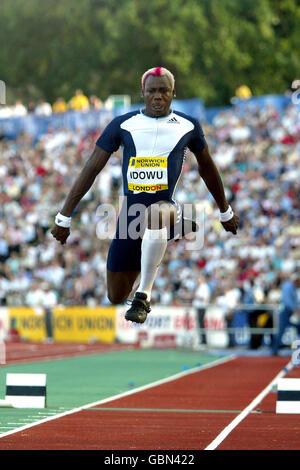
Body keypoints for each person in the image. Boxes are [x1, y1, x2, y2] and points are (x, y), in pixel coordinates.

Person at [51, 66, 239, 324]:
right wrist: (64, 216)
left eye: (164, 91)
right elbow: (92, 168)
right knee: (116, 294)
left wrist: (225, 211)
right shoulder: (123, 124)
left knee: (155, 215)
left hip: (165, 207)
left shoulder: (188, 125)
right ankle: (165, 237)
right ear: (143, 93)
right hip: (130, 215)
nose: (158, 97)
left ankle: (143, 297)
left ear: (174, 93)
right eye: (152, 91)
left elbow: (207, 167)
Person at [271, 273, 300, 355]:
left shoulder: (291, 286)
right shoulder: (289, 286)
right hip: (287, 311)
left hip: (289, 310)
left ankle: (275, 349)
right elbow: (288, 301)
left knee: (297, 327)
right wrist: (295, 310)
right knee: (281, 330)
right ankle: (274, 349)